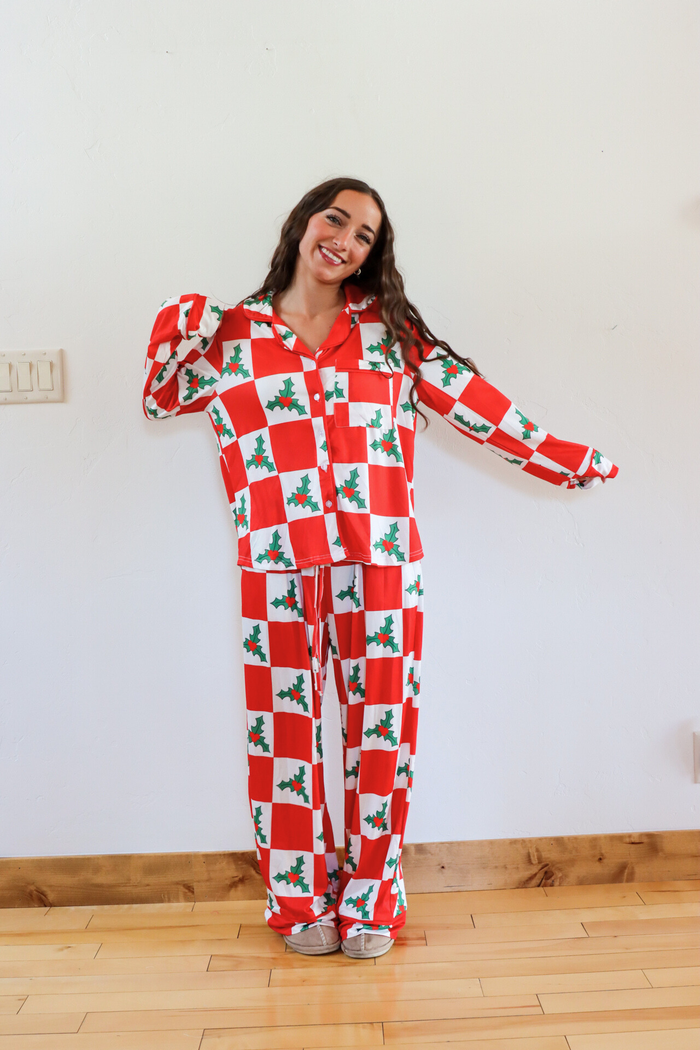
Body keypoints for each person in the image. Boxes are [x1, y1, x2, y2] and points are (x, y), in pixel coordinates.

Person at [143, 176, 618, 960]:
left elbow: (478, 404)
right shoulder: (233, 335)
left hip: (383, 563)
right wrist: (182, 317)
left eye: (365, 235)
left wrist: (568, 460)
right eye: (337, 219)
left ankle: (370, 898)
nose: (346, 240)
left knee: (380, 738)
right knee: (284, 739)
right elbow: (161, 396)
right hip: (276, 563)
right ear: (304, 223)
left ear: (374, 253)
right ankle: (298, 902)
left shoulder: (389, 332)